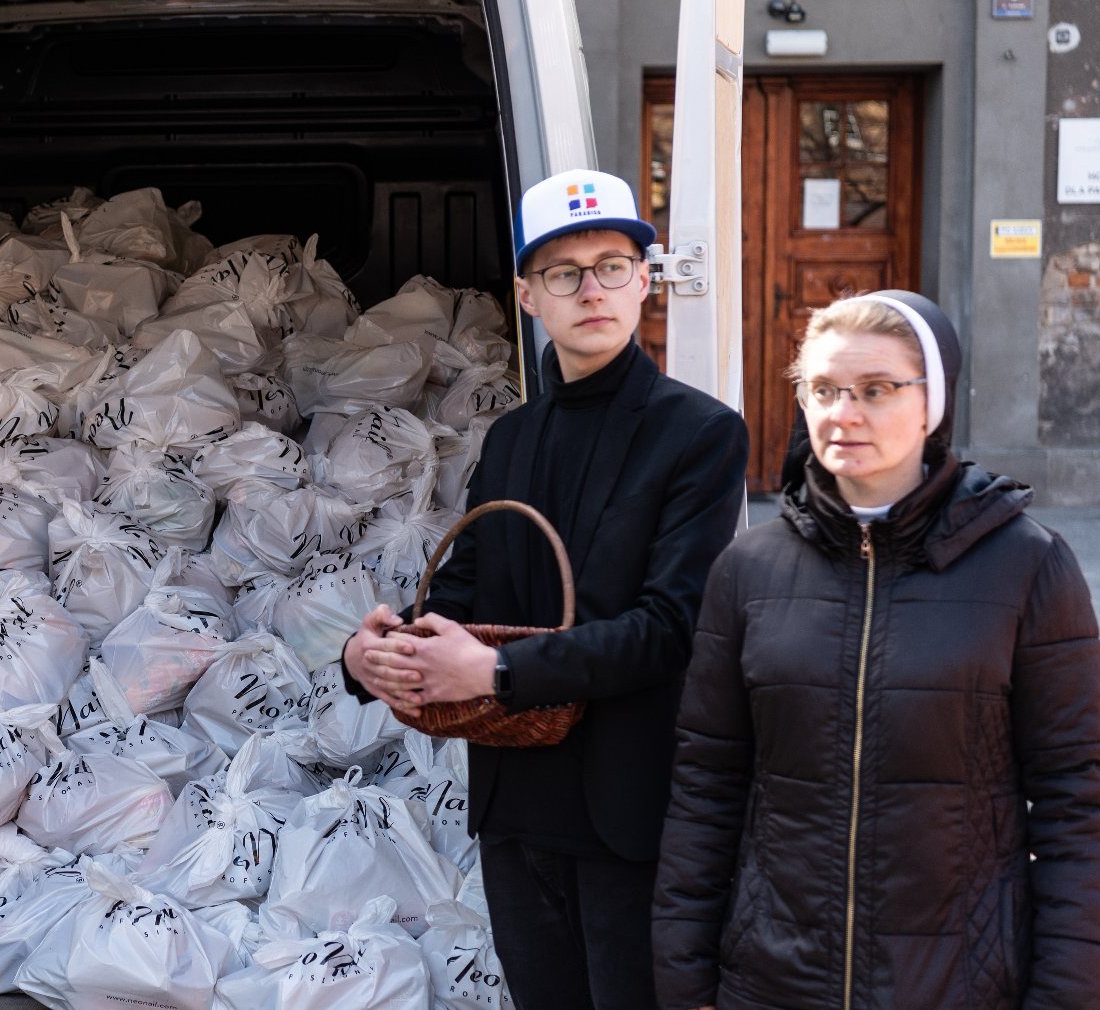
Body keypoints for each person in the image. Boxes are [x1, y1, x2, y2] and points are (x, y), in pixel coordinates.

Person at [343, 168, 749, 1010]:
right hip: (517, 802)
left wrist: (497, 677)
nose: (590, 290)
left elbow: (672, 628)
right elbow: (465, 592)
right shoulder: (513, 439)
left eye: (611, 265)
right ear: (527, 296)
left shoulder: (701, 434)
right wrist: (373, 654)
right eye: (563, 274)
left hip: (629, 808)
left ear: (645, 280)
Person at [652, 292, 1100, 1009]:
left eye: (876, 390)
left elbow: (1077, 800)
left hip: (963, 985)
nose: (843, 413)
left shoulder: (1027, 567)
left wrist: (1067, 995)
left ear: (933, 405)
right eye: (823, 389)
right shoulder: (749, 570)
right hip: (773, 982)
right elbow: (708, 785)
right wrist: (685, 981)